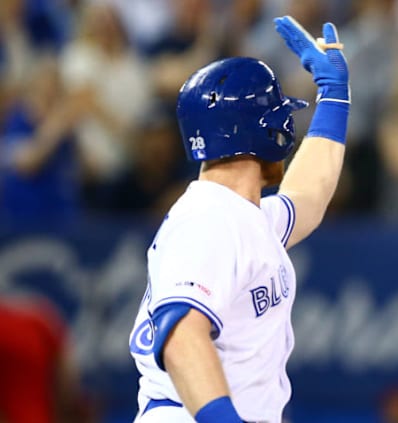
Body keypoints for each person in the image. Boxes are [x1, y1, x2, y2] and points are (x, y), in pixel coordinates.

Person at [127, 15, 350, 423]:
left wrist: (334, 97)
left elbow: (309, 196)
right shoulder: (209, 220)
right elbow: (181, 339)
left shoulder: (241, 216)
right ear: (268, 133)